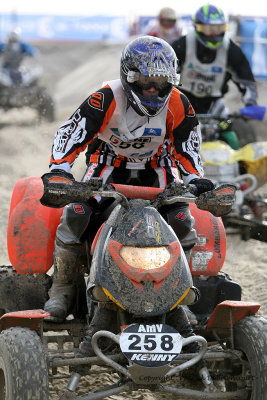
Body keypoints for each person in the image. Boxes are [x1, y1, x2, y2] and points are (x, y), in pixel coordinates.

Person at [41, 35, 215, 326]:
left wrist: (196, 178)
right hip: (106, 169)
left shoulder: (178, 103)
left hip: (157, 170)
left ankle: (181, 293)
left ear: (172, 80)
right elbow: (71, 133)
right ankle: (62, 288)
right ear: (129, 75)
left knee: (183, 220)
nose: (152, 88)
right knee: (77, 213)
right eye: (146, 79)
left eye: (160, 81)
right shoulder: (106, 97)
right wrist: (60, 169)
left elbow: (189, 146)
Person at [171, 4, 258, 150]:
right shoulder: (182, 45)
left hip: (215, 106)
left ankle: (238, 167)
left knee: (230, 132)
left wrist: (250, 104)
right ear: (197, 27)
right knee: (171, 134)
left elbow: (246, 80)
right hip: (182, 101)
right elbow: (165, 73)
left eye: (218, 29)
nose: (213, 34)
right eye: (209, 29)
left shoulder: (231, 50)